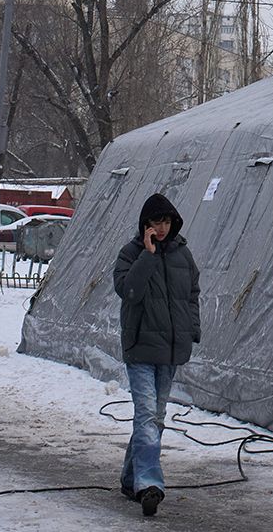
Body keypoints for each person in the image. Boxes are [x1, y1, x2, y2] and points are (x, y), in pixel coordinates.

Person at [112, 193, 200, 517]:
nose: (160, 228)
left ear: (172, 222)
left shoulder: (183, 256)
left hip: (170, 351)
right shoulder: (130, 254)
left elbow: (193, 294)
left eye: (165, 222)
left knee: (154, 419)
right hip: (140, 351)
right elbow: (129, 292)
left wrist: (193, 329)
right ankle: (150, 484)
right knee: (147, 415)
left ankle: (130, 477)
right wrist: (147, 256)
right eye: (155, 222)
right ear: (145, 225)